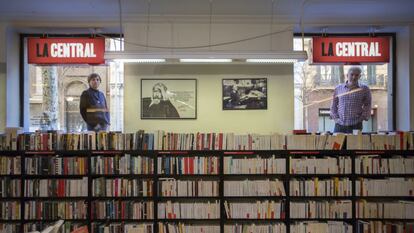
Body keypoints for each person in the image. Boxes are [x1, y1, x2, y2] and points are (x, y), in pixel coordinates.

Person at [330, 66, 372, 133]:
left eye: (357, 75)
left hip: (356, 125)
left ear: (360, 76)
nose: (354, 77)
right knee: (337, 143)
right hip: (340, 124)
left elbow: (368, 104)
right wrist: (336, 118)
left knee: (354, 143)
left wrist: (362, 117)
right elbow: (334, 105)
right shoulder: (338, 88)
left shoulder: (364, 89)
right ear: (347, 75)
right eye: (352, 74)